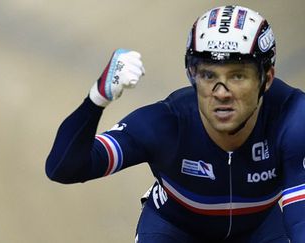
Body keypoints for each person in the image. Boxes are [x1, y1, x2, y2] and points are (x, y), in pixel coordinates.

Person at [45, 5, 305, 243]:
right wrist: (96, 99)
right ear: (192, 75)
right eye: (208, 74)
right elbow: (64, 168)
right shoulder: (165, 124)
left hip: (260, 230)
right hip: (174, 230)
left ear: (266, 79)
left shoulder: (292, 118)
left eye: (237, 76)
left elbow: (301, 220)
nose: (222, 92)